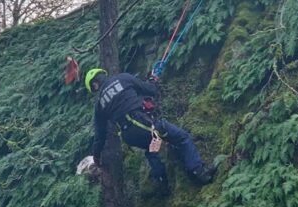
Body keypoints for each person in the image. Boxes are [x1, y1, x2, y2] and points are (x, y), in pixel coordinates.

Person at [86, 68, 217, 192]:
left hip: (129, 135)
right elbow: (150, 90)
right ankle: (198, 171)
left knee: (152, 147)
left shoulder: (99, 105)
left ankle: (162, 184)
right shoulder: (123, 78)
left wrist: (96, 156)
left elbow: (100, 135)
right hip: (142, 123)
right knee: (182, 137)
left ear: (95, 85)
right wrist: (153, 80)